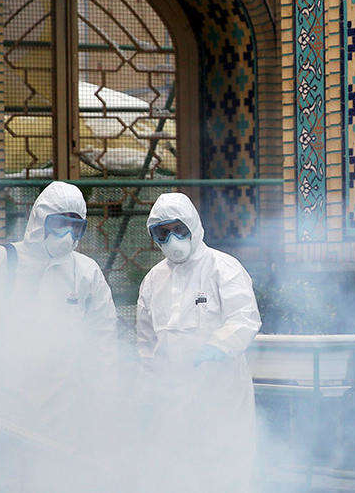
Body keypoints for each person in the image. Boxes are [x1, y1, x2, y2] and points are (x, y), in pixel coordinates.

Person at [0, 180, 118, 450]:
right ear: (40, 220)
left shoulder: (86, 272)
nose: (67, 235)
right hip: (0, 404)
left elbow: (104, 338)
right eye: (60, 224)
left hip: (63, 407)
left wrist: (101, 398)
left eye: (76, 227)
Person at [135, 192, 261, 490]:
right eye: (162, 233)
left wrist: (213, 349)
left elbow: (245, 318)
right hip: (172, 394)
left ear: (193, 225)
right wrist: (145, 392)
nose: (172, 239)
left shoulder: (223, 267)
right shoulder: (154, 280)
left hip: (220, 390)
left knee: (223, 466)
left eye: (178, 229)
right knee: (175, 469)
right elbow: (146, 343)